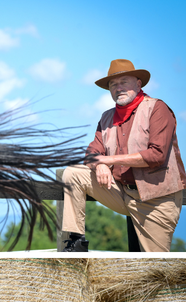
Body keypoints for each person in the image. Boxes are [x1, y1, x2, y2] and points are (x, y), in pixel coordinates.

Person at [61, 59, 185, 252]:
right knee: (73, 173)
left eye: (124, 82)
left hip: (156, 200)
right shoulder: (106, 117)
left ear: (138, 84)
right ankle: (76, 243)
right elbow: (91, 154)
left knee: (157, 266)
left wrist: (108, 160)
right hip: (121, 193)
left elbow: (157, 155)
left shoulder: (158, 108)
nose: (118, 88)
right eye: (113, 84)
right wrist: (100, 165)